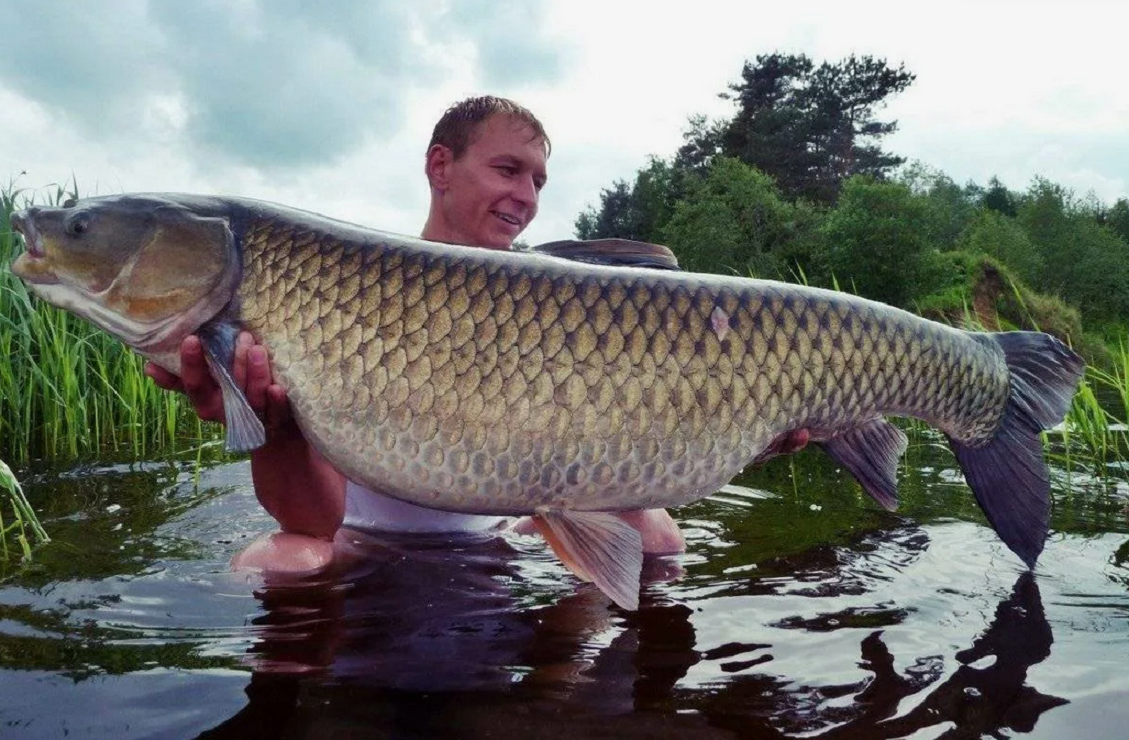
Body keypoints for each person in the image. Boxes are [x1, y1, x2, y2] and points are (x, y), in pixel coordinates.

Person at [146, 96, 687, 575]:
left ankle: (558, 681)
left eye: (537, 181)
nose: (526, 196)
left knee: (657, 538)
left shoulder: (565, 314)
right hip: (368, 545)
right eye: (507, 170)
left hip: (497, 541)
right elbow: (309, 522)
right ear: (440, 165)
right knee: (285, 561)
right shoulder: (340, 289)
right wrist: (275, 423)